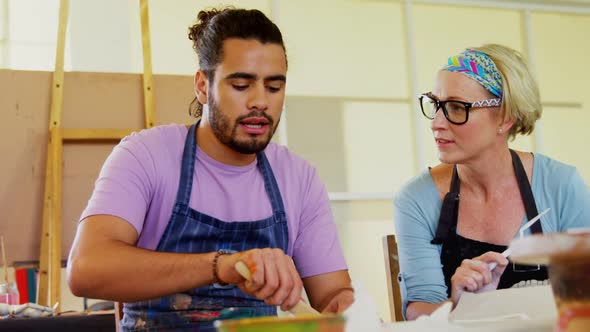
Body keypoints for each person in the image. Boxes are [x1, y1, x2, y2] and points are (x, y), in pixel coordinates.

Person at [67, 7, 353, 331]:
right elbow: (86, 269)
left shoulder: (299, 178)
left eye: (274, 87)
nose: (260, 101)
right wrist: (224, 265)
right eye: (242, 85)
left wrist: (347, 310)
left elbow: (333, 294)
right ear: (203, 86)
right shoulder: (146, 155)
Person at [393, 44, 590, 320]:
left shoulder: (561, 185)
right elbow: (419, 313)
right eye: (435, 104)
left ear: (505, 117)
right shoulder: (416, 199)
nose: (436, 122)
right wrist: (461, 304)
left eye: (455, 107)